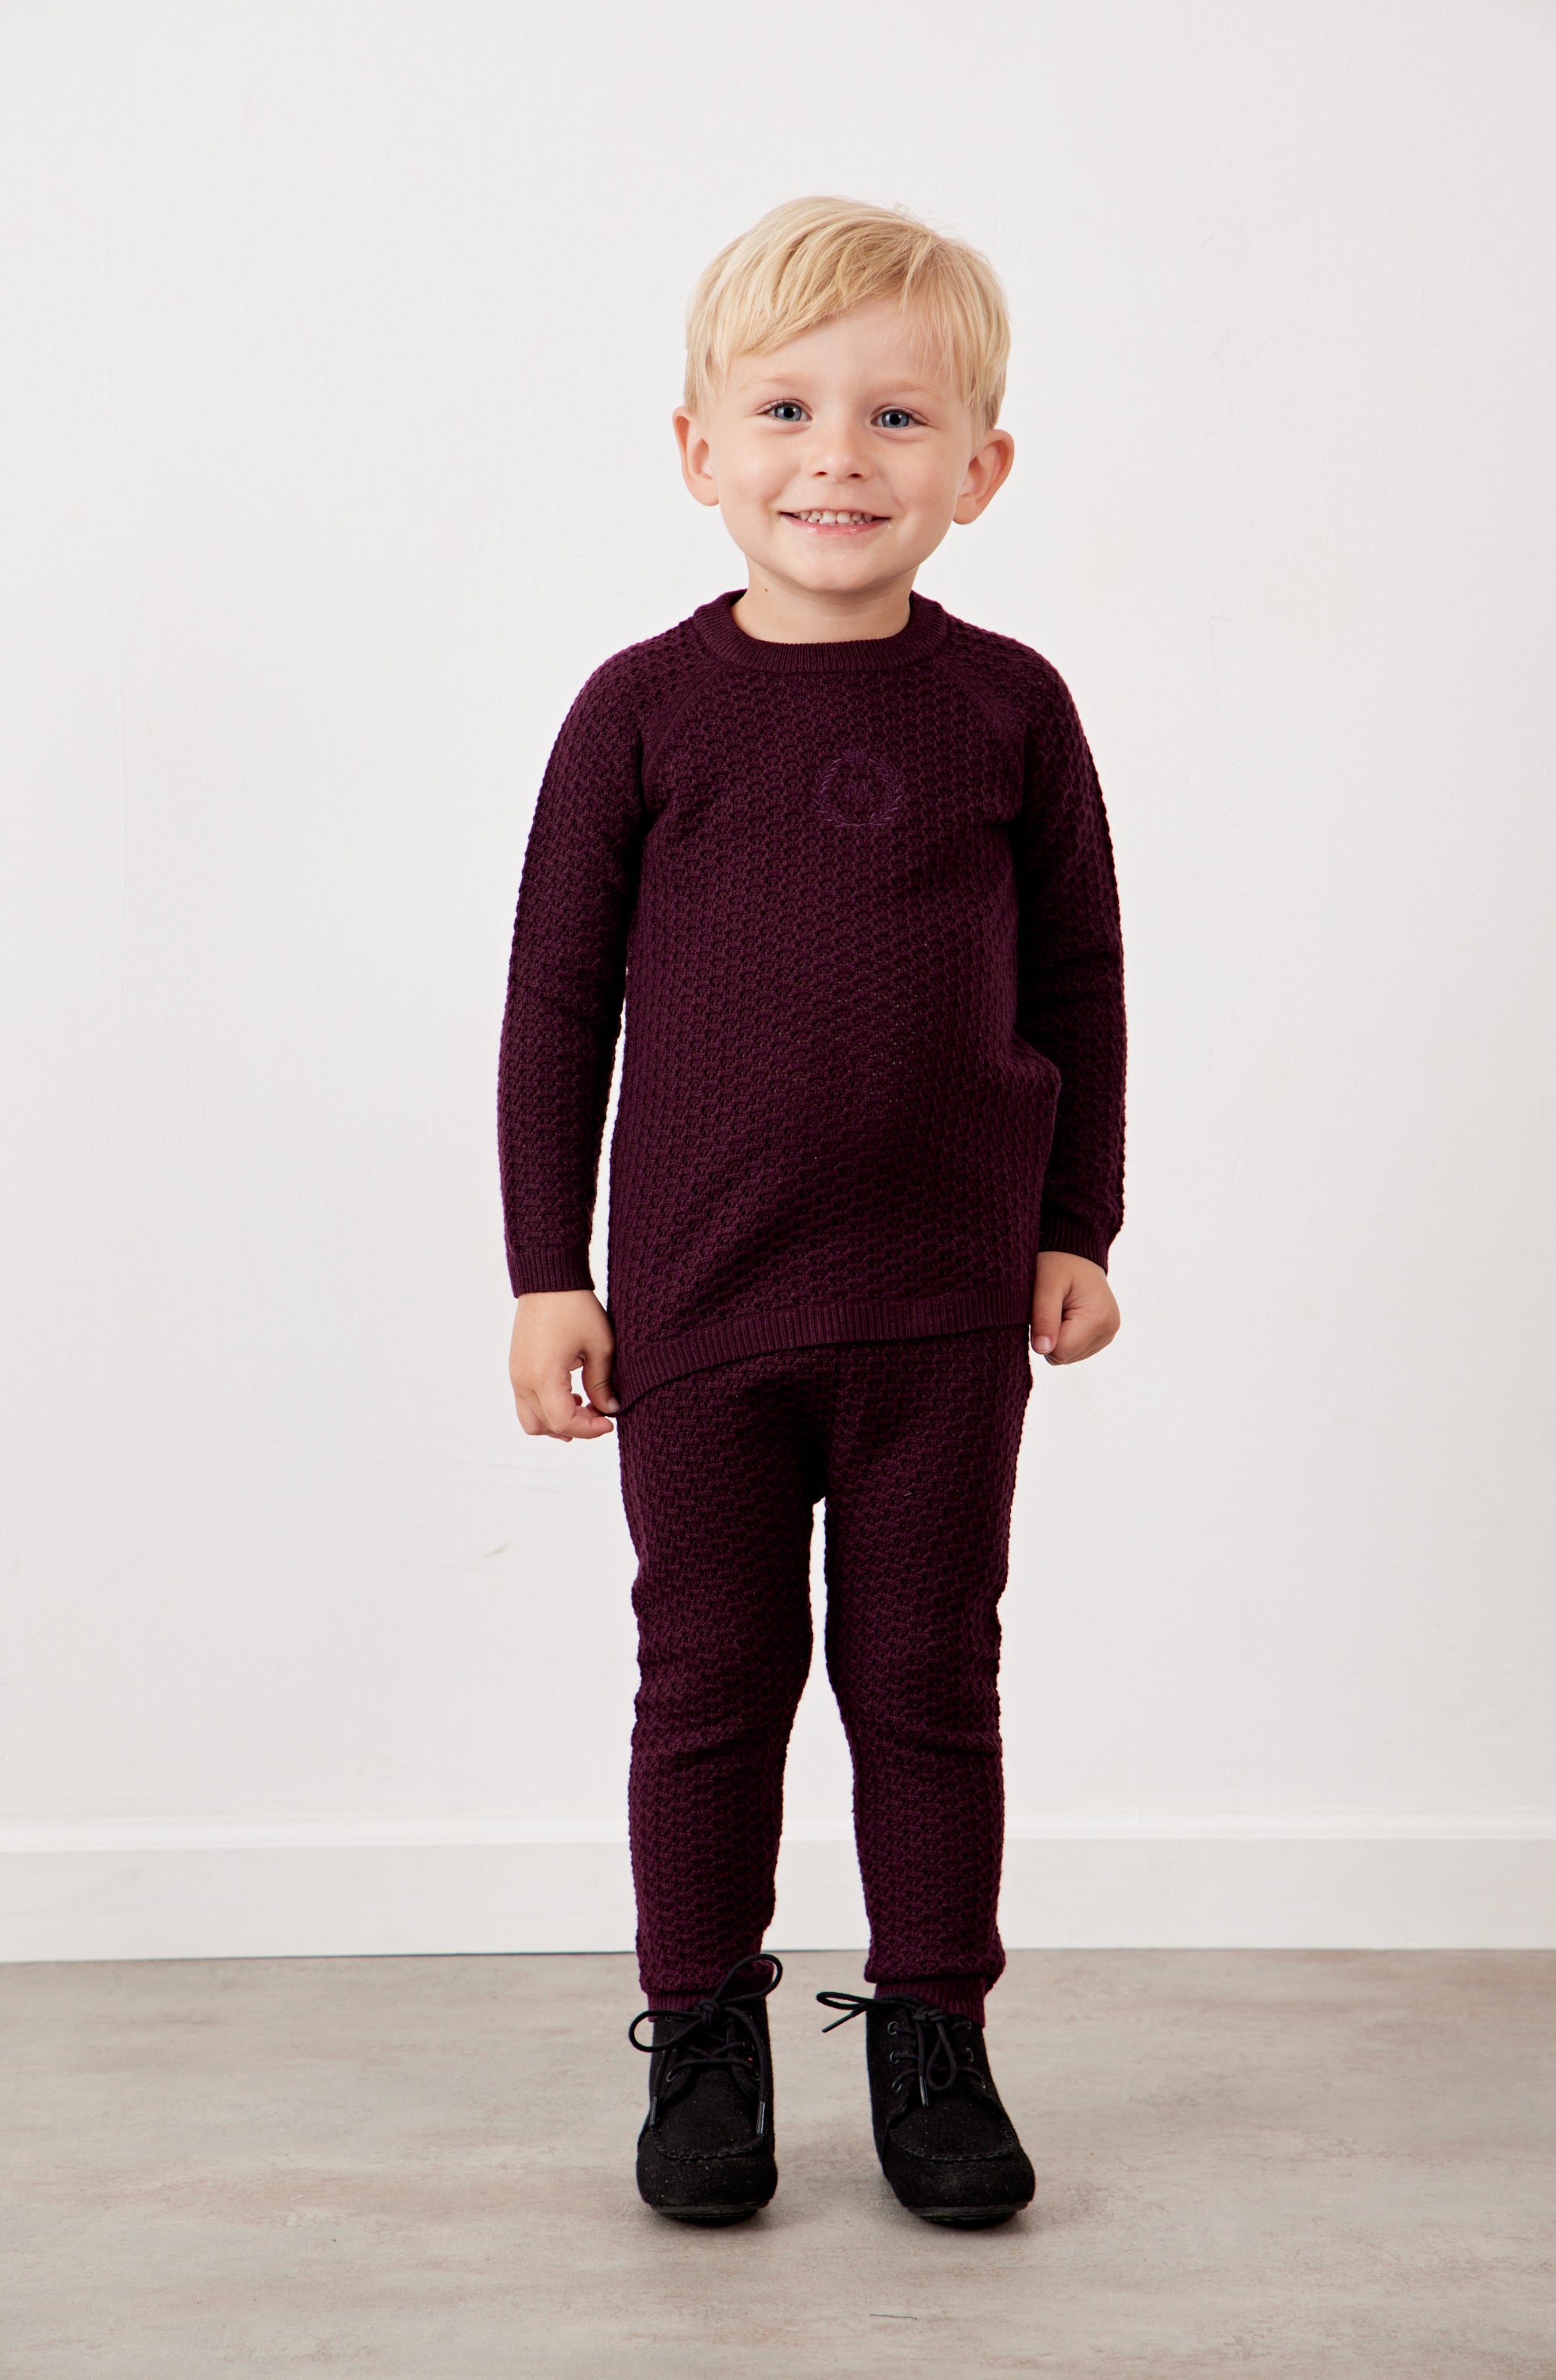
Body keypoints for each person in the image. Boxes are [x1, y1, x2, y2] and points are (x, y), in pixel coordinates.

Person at [497, 195, 1127, 2229]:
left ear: (978, 468)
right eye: (783, 410)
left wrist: (1078, 1224)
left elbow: (1077, 980)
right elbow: (556, 1001)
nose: (835, 458)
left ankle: (933, 2034)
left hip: (944, 1308)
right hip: (698, 1308)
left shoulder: (1009, 708)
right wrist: (546, 1271)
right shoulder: (638, 711)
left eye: (893, 416)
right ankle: (702, 2036)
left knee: (926, 1680)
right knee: (708, 1680)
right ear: (697, 448)